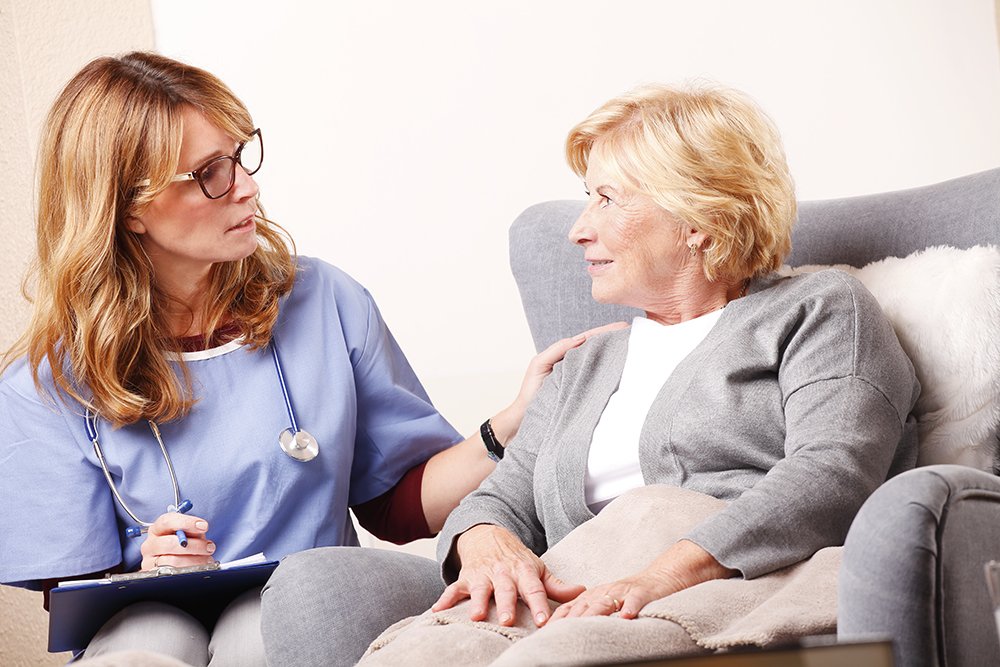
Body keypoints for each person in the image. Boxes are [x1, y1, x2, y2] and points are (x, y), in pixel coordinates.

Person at [265, 83, 922, 665]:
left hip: (727, 582)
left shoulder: (820, 308)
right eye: (587, 199)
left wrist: (661, 573)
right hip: (577, 591)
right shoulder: (587, 361)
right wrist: (487, 539)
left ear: (699, 217)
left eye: (607, 198)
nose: (580, 229)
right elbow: (501, 495)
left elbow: (831, 472)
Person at [0, 51, 620, 667]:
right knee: (148, 640)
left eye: (240, 157)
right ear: (129, 206)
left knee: (258, 626)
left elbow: (398, 506)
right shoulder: (45, 383)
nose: (246, 186)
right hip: (140, 616)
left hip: (300, 603)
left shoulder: (322, 300)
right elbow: (70, 587)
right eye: (210, 172)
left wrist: (512, 420)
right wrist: (145, 564)